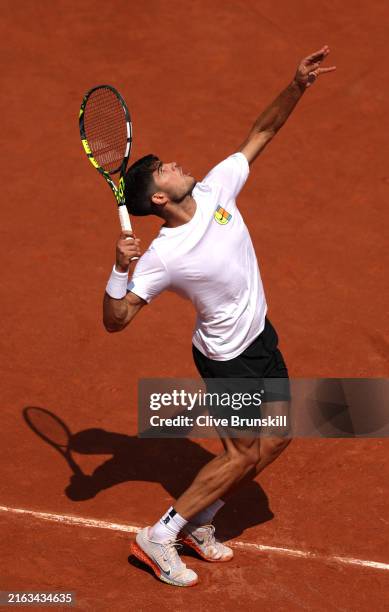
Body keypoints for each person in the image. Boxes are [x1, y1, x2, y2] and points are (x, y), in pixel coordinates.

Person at [103, 46, 336, 587]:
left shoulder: (215, 189)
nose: (179, 164)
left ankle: (201, 521)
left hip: (260, 338)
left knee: (275, 441)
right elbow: (117, 320)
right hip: (225, 357)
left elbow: (262, 133)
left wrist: (296, 85)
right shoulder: (162, 256)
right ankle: (158, 536)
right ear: (159, 198)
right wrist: (118, 271)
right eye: (167, 168)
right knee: (239, 454)